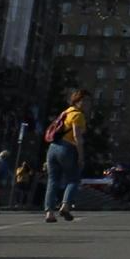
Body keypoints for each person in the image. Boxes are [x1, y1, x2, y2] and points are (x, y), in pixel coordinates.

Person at [42, 91, 87, 221]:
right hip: (67, 148)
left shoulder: (65, 113)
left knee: (53, 181)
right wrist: (81, 156)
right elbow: (77, 136)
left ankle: (49, 213)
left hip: (53, 148)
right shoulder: (78, 115)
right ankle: (65, 206)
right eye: (84, 101)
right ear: (77, 101)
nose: (87, 104)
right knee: (73, 179)